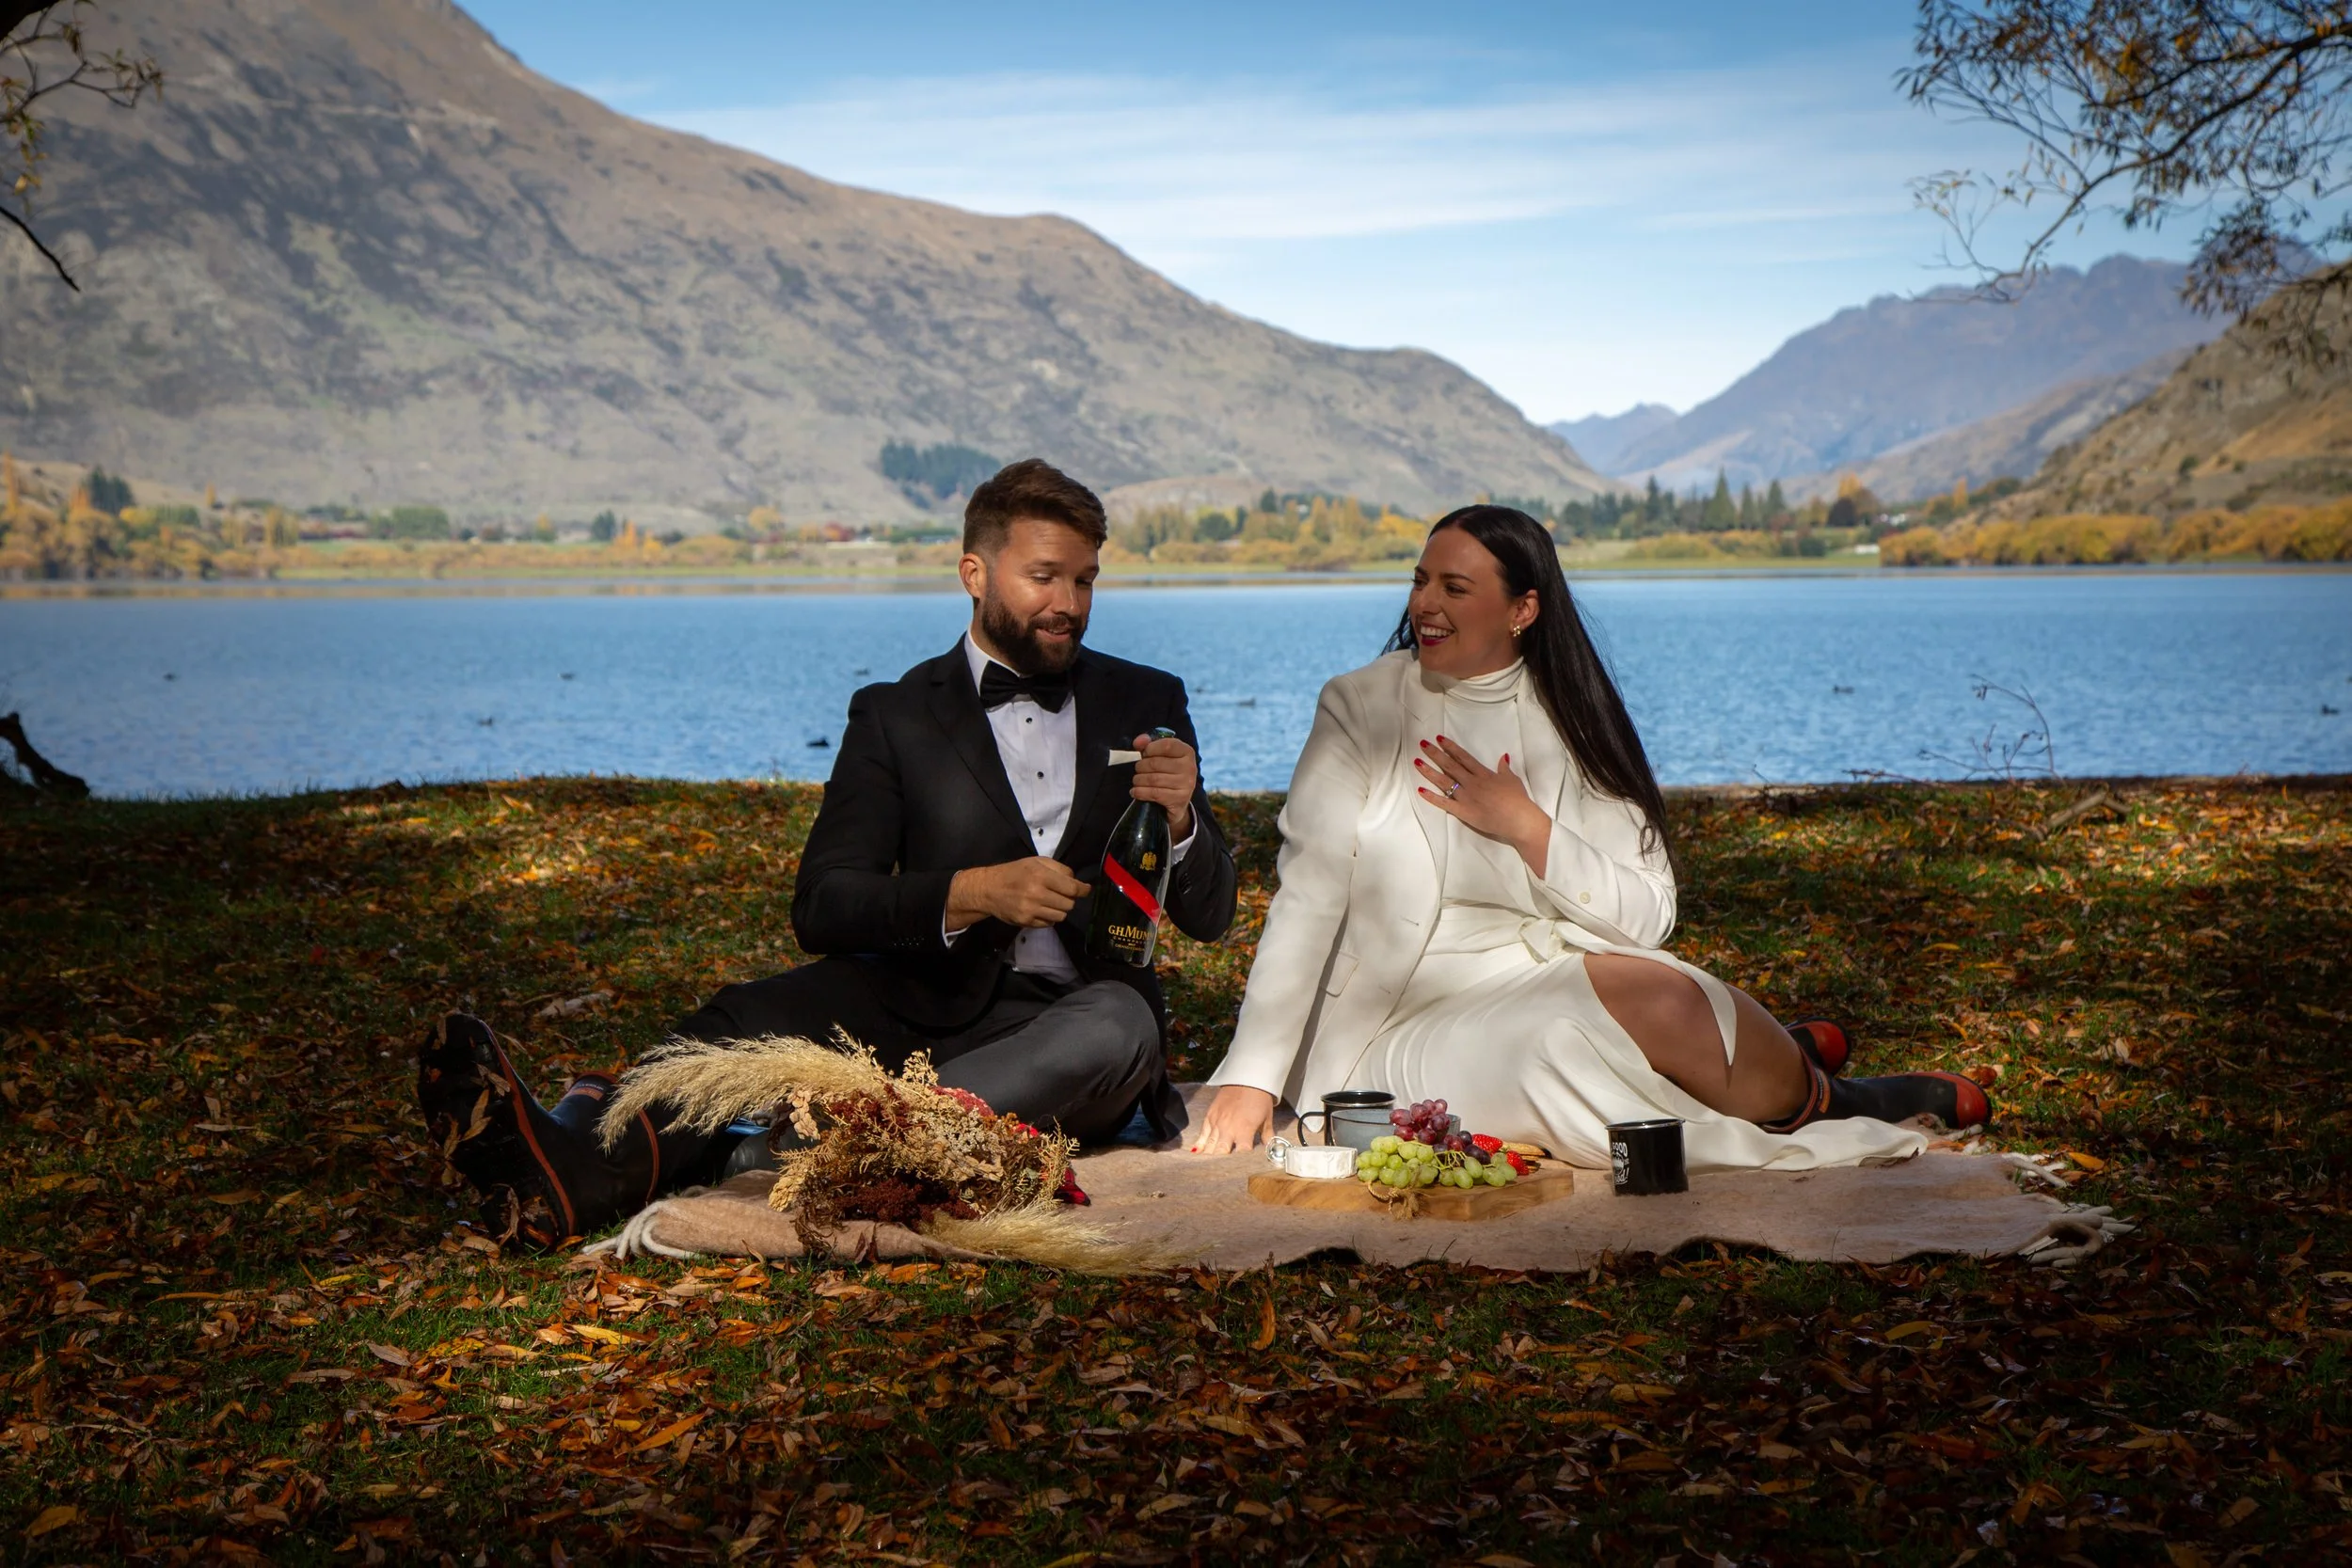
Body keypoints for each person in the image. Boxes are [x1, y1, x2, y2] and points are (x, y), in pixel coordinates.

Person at [421, 459, 1238, 1247]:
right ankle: (577, 1167)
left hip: (1075, 1027)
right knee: (740, 1017)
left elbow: (1211, 914)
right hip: (920, 1001)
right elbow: (824, 904)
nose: (1070, 603)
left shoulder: (1147, 699)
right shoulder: (893, 715)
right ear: (974, 573)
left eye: (1085, 579)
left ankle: (784, 1152)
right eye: (1046, 576)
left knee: (1122, 1022)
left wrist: (1180, 826)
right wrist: (971, 892)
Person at [1186, 504, 1989, 1167]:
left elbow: (1646, 916)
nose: (1425, 604)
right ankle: (1787, 1081)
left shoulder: (1569, 714)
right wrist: (1255, 1075)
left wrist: (1527, 826)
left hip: (1538, 972)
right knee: (1559, 1054)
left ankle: (1814, 1086)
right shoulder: (1359, 707)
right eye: (1420, 580)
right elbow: (1308, 895)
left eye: (1455, 586)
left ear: (1522, 609)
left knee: (1670, 992)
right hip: (1387, 1030)